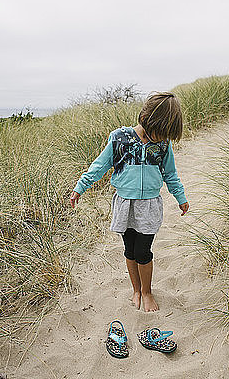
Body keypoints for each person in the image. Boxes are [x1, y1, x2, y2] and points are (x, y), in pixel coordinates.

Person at [69, 92, 189, 312]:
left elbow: (170, 174)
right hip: (124, 204)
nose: (163, 138)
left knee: (144, 252)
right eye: (161, 133)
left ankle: (147, 292)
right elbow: (99, 166)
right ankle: (136, 290)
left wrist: (180, 197)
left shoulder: (163, 145)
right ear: (147, 119)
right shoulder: (119, 138)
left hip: (149, 206)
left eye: (166, 136)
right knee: (130, 250)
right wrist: (80, 187)